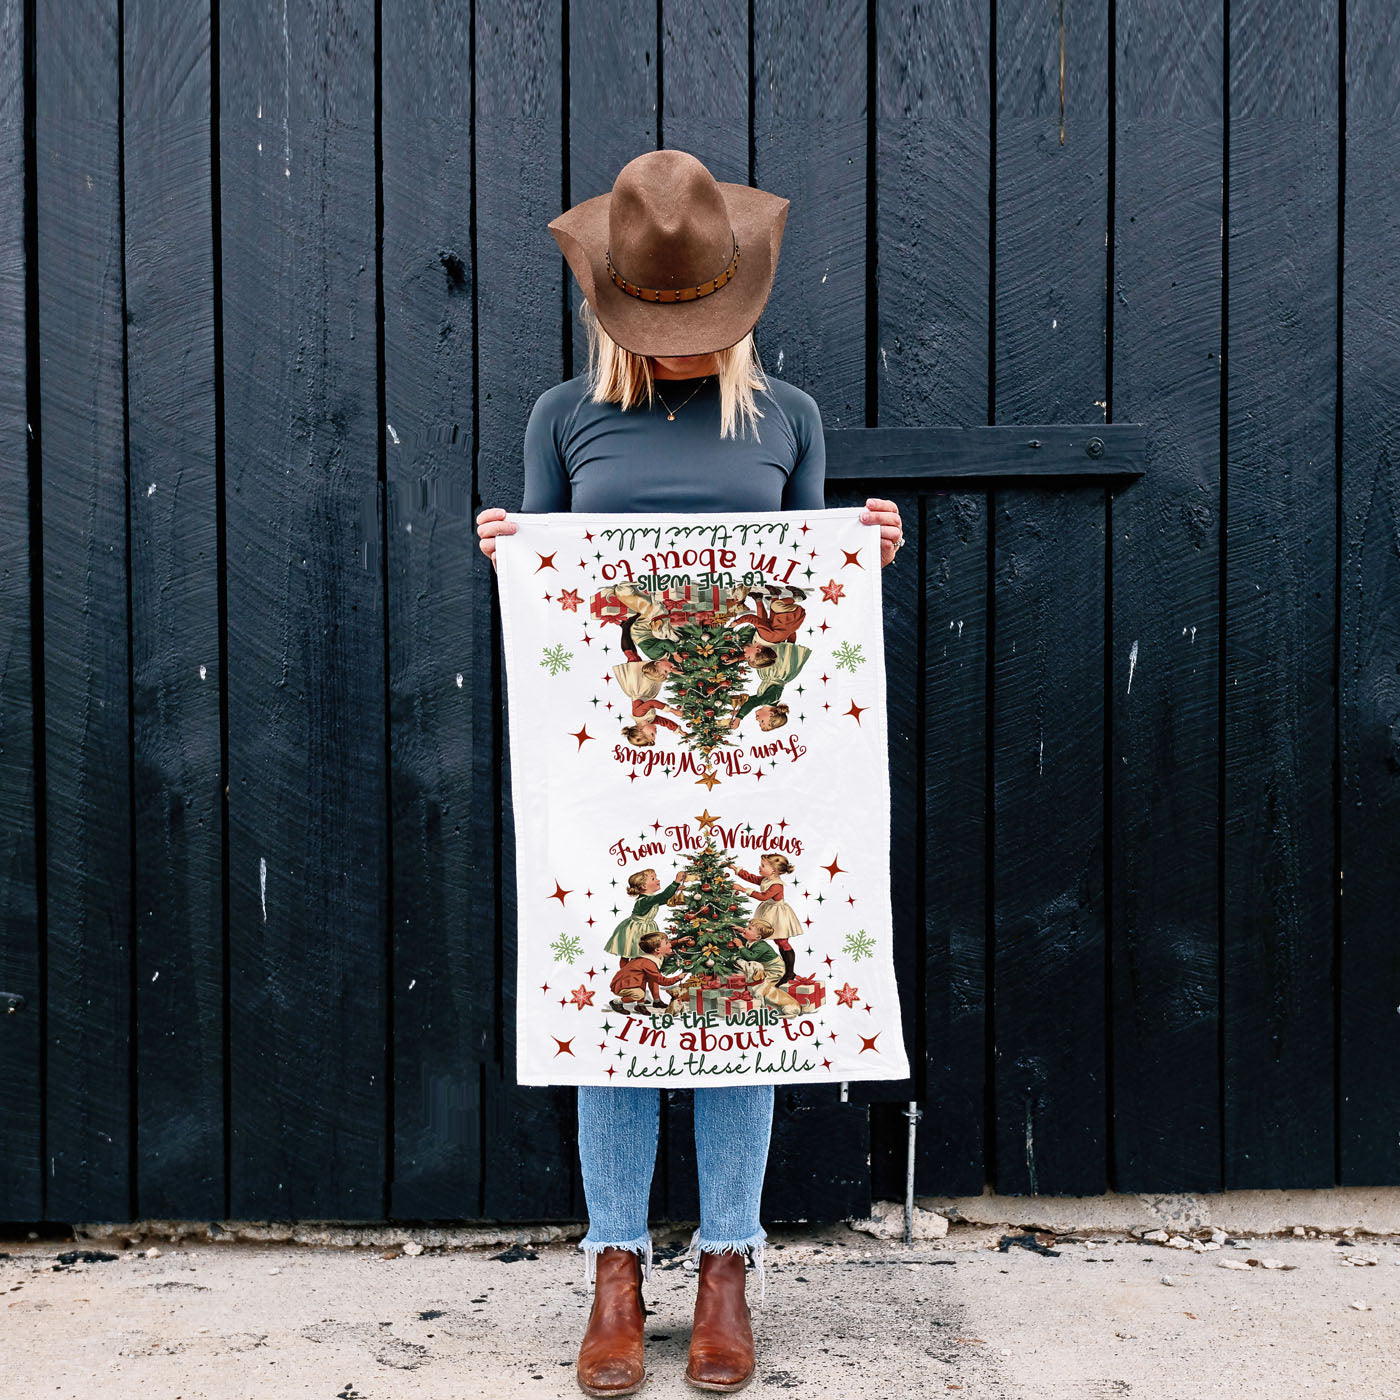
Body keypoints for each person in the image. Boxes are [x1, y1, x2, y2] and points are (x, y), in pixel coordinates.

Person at [477, 148, 904, 1397]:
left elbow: (803, 593)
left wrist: (860, 549)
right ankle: (613, 1264)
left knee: (741, 1000)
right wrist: (513, 549)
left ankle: (726, 1264)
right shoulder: (564, 416)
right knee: (612, 1004)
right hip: (614, 766)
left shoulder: (787, 418)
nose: (675, 347)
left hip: (757, 764)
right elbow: (555, 609)